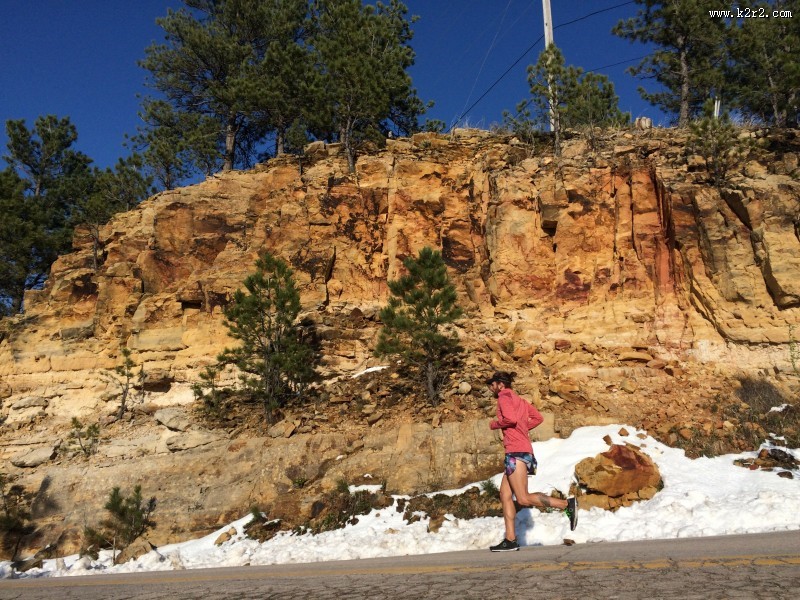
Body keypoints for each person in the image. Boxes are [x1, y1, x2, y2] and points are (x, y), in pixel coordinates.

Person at [486, 371, 578, 552]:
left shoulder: (504, 397)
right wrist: (521, 428)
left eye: (492, 385)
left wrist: (494, 424)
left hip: (515, 452)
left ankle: (567, 505)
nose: (491, 388)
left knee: (522, 498)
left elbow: (510, 419)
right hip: (522, 451)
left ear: (500, 385)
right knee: (505, 495)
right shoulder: (520, 400)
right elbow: (538, 418)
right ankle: (510, 539)